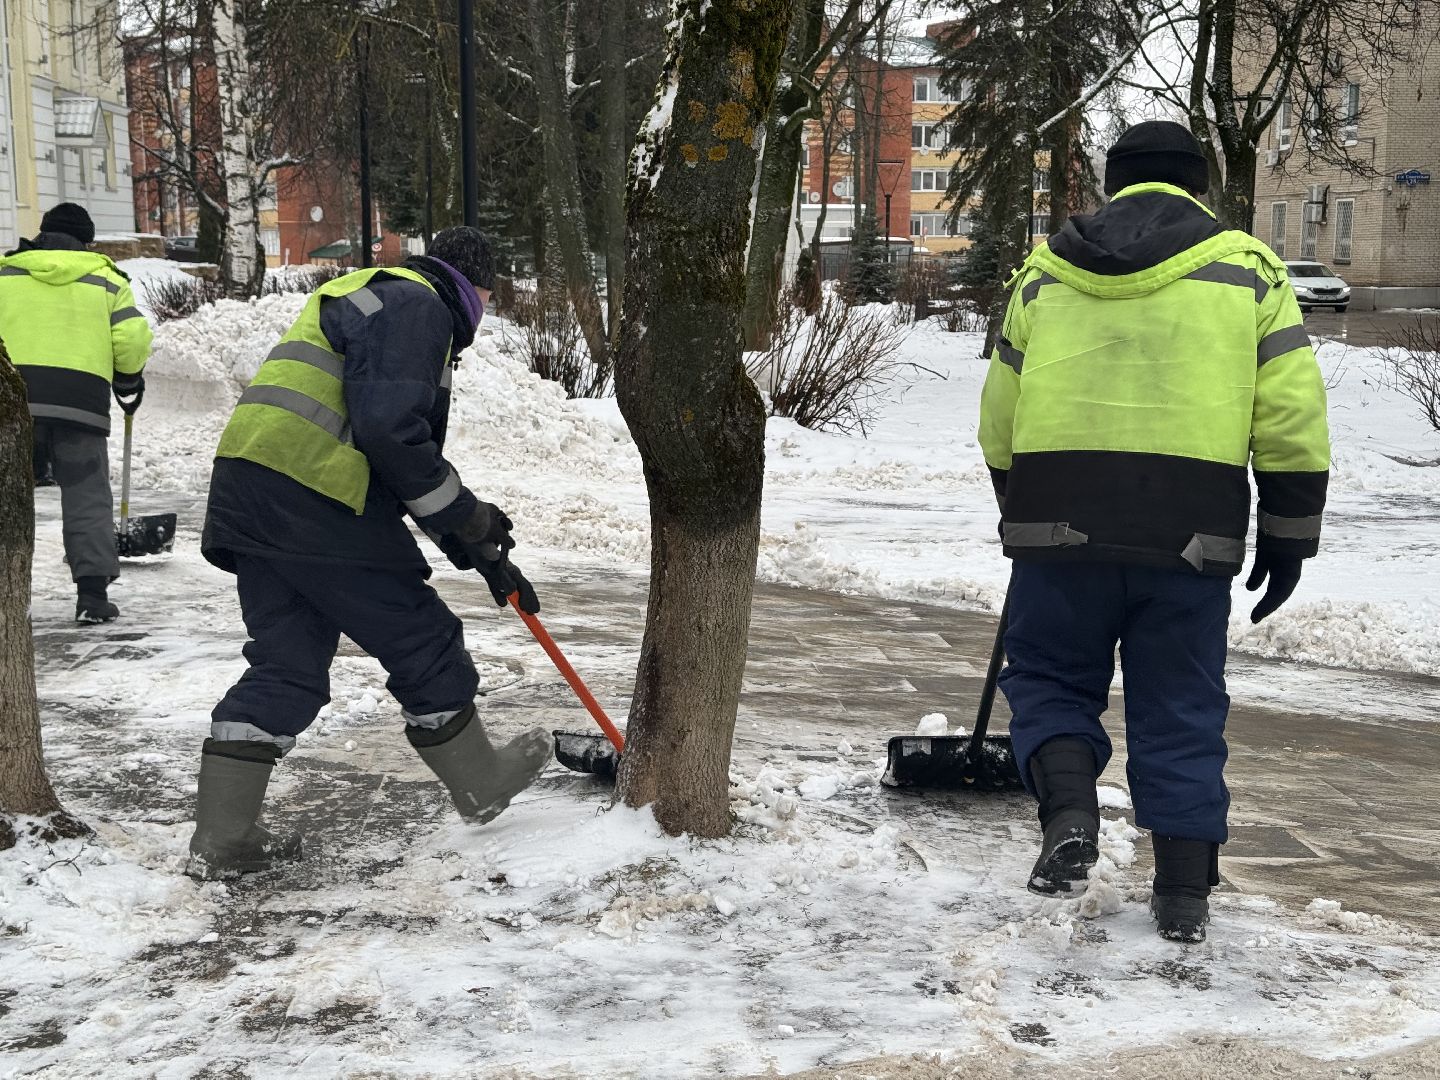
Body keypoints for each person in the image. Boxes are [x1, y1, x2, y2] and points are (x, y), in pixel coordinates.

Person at [978, 121, 1330, 942]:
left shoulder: (1045, 271)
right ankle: (1181, 892)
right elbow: (1290, 415)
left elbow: (999, 419)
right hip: (1190, 533)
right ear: (1199, 185)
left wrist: (1021, 509)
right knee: (1181, 704)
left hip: (1059, 525)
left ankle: (1071, 815)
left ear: (1113, 184)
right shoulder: (1249, 271)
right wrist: (1287, 535)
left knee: (1051, 679)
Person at [187, 227, 549, 880]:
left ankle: (224, 837)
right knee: (422, 636)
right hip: (312, 495)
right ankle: (480, 781)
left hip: (252, 487)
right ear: (477, 287)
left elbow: (384, 455)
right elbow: (390, 434)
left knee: (288, 662)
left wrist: (473, 546)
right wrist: (469, 518)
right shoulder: (420, 305)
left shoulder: (369, 294)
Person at [0, 202, 152, 622]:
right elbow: (131, 340)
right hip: (80, 404)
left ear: (41, 235)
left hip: (11, 403)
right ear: (87, 243)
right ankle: (92, 598)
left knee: (5, 495)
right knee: (86, 496)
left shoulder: (5, 276)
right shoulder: (107, 281)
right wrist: (128, 382)